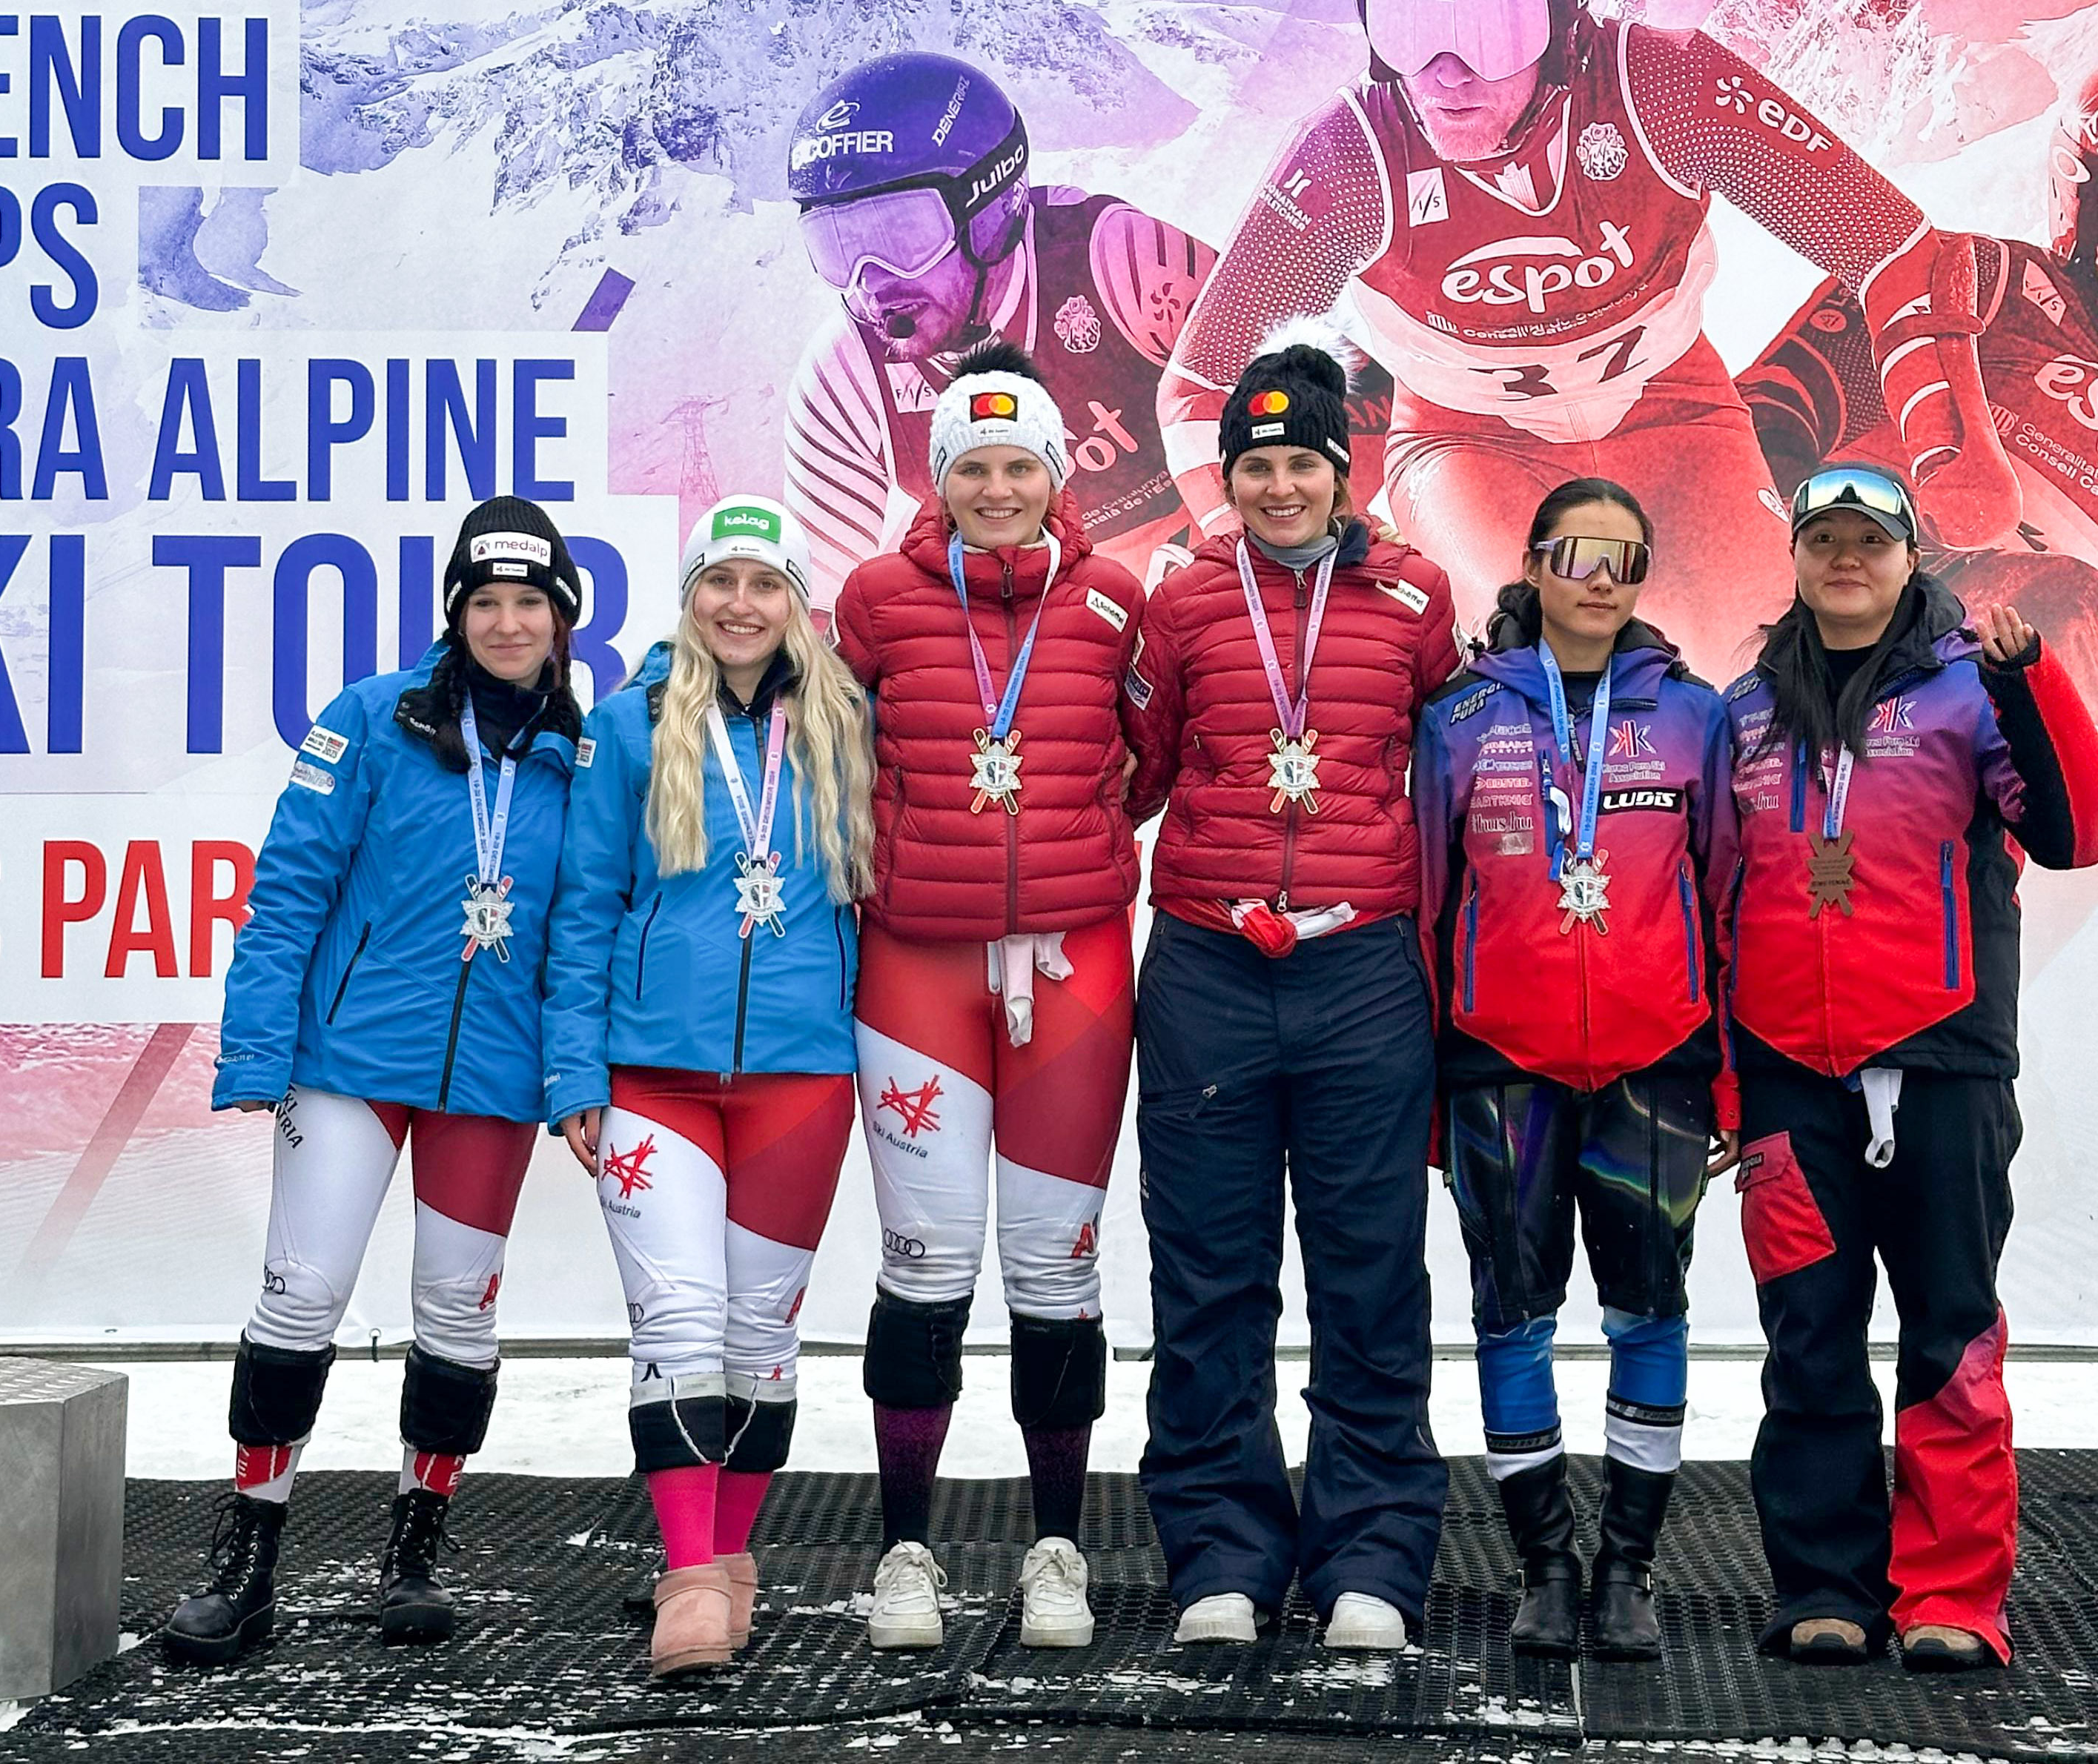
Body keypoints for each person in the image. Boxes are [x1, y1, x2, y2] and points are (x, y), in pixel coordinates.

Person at [1158, 0, 2011, 677]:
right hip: (1467, 441)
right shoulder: (1354, 154)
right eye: (1412, 24)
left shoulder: (1657, 87)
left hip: (1678, 416)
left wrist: (1950, 429)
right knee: (1542, 671)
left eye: (1491, 28)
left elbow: (1889, 246)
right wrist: (1263, 558)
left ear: (1565, 26)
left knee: (1769, 672)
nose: (1445, 75)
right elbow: (1202, 386)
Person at [1718, 466, 2098, 1670]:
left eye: (1868, 542)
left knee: (1948, 1331)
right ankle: (1824, 1587)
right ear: (1793, 557)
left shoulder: (1973, 687)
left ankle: (1949, 1594)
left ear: (1908, 560)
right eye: (1822, 541)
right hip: (1790, 1076)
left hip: (1943, 1064)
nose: (1843, 560)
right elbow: (1711, 899)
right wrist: (1725, 1080)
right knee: (1809, 1337)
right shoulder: (1746, 708)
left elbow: (2082, 833)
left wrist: (2029, 684)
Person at [163, 498, 585, 1664]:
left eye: (530, 602)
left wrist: (575, 1076)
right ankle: (247, 1554)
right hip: (349, 1060)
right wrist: (257, 1049)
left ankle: (416, 1553)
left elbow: (587, 932)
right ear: (457, 612)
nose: (508, 622)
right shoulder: (372, 718)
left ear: (562, 619)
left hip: (492, 1078)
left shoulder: (582, 756)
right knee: (302, 1295)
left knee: (458, 1308)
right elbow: (288, 884)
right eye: (486, 601)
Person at [1738, 39, 2098, 958]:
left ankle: (1979, 977)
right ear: (2081, 196)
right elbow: (1751, 427)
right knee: (2069, 611)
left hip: (2044, 715)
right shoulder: (1974, 282)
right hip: (1869, 621)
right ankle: (1853, 917)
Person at [1121, 332, 1459, 1654]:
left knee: (1368, 1271)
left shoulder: (1418, 597)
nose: (1276, 489)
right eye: (1253, 464)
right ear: (1229, 474)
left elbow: (1452, 760)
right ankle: (1219, 1549)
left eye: (1298, 465)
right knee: (1209, 1272)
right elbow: (1137, 774)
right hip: (1206, 964)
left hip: (1361, 967)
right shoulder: (1178, 600)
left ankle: (1370, 1549)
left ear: (1341, 470)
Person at [832, 339, 1143, 1653]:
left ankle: (1055, 1550)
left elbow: (1161, 750)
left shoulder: (1115, 599)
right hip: (916, 964)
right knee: (924, 1258)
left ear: (1056, 477)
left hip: (1072, 967)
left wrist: (1076, 850)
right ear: (938, 474)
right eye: (973, 466)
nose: (998, 489)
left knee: (1052, 1267)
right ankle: (905, 1549)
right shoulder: (870, 599)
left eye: (1021, 466)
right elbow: (818, 749)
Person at [544, 494, 873, 1680]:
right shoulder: (629, 728)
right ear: (689, 600)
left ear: (796, 603)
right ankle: (688, 1570)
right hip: (654, 1076)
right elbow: (581, 907)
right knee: (677, 1325)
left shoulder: (847, 723)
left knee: (760, 1336)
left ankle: (735, 1552)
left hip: (801, 1076)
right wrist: (573, 1071)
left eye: (765, 584)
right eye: (719, 584)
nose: (741, 606)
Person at [1413, 477, 1733, 1660]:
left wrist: (1731, 1083)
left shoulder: (1697, 717)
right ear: (1536, 565)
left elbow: (1730, 896)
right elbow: (1427, 913)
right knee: (1513, 1318)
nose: (1602, 578)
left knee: (1653, 1313)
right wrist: (1433, 1093)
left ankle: (1629, 1569)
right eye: (1579, 554)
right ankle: (1546, 1564)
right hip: (1502, 1068)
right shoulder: (1458, 721)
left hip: (1656, 1067)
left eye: (1627, 558)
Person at [784, 51, 1219, 607]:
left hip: (1198, 603)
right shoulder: (846, 375)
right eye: (838, 247)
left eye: (904, 236)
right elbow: (813, 620)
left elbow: (1328, 412)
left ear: (989, 214)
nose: (872, 283)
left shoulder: (1122, 262)